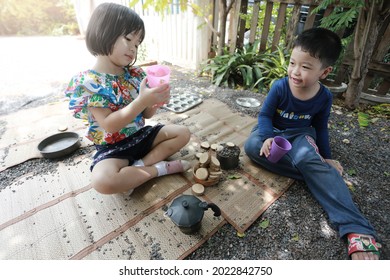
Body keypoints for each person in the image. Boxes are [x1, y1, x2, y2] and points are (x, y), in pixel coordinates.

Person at [244, 27, 381, 260]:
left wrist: (325, 156)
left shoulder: (324, 97)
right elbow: (265, 116)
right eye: (292, 63)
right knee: (251, 147)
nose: (295, 72)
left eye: (306, 67)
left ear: (324, 72)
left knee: (309, 157)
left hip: (300, 135)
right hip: (273, 133)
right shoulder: (280, 87)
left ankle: (356, 228)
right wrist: (267, 137)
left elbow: (320, 127)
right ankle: (317, 175)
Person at [65, 3, 191, 195]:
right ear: (103, 31)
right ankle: (159, 169)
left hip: (140, 137)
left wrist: (154, 101)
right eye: (129, 38)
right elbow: (109, 125)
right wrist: (141, 100)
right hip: (114, 149)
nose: (133, 48)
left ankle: (139, 167)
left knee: (182, 132)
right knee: (102, 181)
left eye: (137, 44)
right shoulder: (90, 83)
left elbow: (147, 114)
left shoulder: (135, 74)